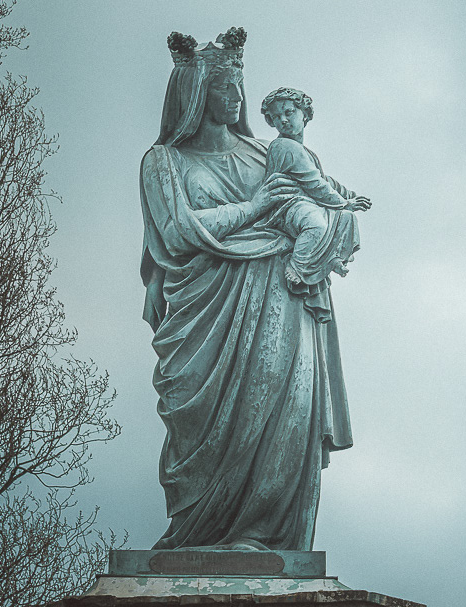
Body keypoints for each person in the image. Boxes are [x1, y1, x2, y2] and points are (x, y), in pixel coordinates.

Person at [139, 29, 353, 552]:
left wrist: (332, 222)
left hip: (282, 299)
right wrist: (257, 209)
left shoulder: (267, 153)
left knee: (281, 413)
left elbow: (321, 208)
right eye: (223, 87)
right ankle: (201, 530)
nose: (235, 98)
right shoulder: (164, 162)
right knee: (202, 430)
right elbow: (177, 229)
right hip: (205, 315)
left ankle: (260, 533)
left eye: (239, 86)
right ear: (194, 95)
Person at [261, 87, 371, 313]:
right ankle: (297, 265)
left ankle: (332, 257)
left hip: (304, 204)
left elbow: (325, 180)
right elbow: (314, 184)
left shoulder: (305, 151)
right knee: (316, 224)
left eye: (289, 112)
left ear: (305, 114)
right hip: (286, 208)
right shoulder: (284, 146)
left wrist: (348, 196)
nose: (283, 120)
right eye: (276, 117)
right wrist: (344, 202)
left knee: (347, 219)